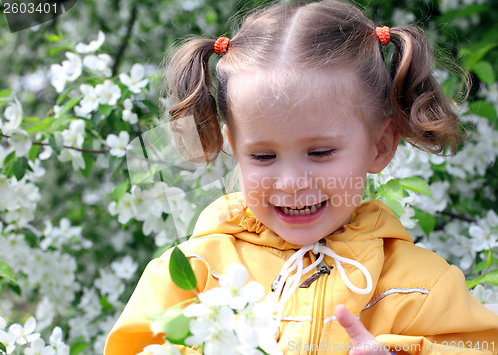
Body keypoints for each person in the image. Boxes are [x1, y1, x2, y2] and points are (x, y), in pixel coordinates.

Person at [104, 0, 498, 354]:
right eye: (262, 156)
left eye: (321, 152)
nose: (291, 182)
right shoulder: (193, 275)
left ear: (380, 146)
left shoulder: (421, 288)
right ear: (233, 148)